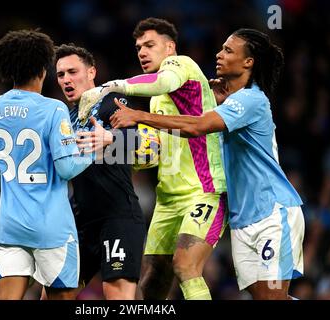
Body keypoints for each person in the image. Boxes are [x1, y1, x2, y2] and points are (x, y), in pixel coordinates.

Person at [110, 28, 305, 300]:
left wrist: (138, 115)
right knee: (266, 297)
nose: (219, 54)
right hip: (242, 217)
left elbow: (197, 126)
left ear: (248, 62)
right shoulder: (229, 101)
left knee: (270, 297)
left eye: (228, 50)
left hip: (272, 211)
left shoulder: (252, 100)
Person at [80, 17, 228, 300]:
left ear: (170, 47)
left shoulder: (181, 66)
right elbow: (153, 152)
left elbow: (162, 81)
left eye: (150, 45)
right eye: (138, 48)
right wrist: (109, 143)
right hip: (167, 200)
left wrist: (110, 86)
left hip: (203, 192)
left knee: (185, 266)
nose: (142, 52)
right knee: (152, 283)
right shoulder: (158, 101)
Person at [0, 30, 93, 300]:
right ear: (43, 69)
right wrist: (91, 151)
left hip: (9, 225)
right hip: (51, 228)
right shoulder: (53, 109)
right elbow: (67, 169)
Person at [53, 43, 147, 300]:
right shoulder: (66, 118)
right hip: (81, 223)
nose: (66, 80)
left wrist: (110, 138)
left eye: (73, 72)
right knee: (55, 295)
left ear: (92, 72)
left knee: (117, 297)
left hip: (117, 217)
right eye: (61, 75)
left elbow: (137, 141)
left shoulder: (111, 101)